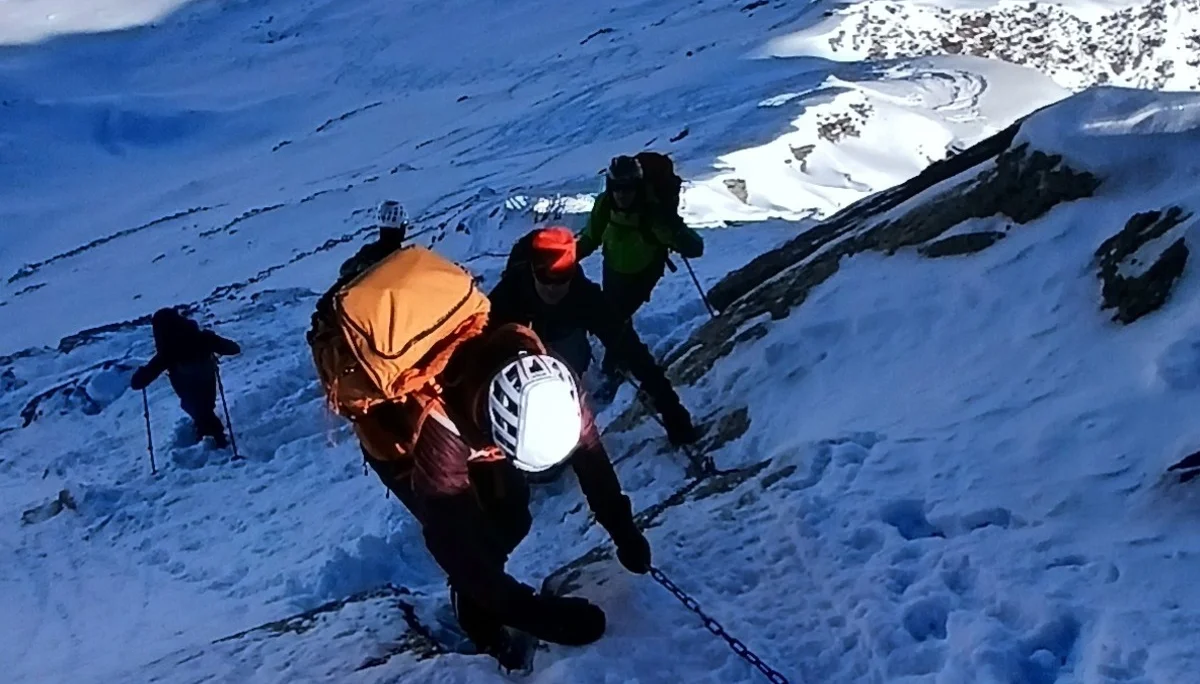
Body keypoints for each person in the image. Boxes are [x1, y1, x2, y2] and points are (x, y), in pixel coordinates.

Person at [308, 246, 651, 670]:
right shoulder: (438, 431)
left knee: (511, 515)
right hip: (399, 446)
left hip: (472, 419)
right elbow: (450, 542)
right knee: (473, 537)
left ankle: (484, 598)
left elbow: (591, 457)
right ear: (495, 434)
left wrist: (625, 532)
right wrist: (541, 617)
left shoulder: (548, 385)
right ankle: (481, 626)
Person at [490, 226, 699, 446]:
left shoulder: (586, 298)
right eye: (544, 277)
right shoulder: (510, 294)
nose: (553, 287)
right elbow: (481, 345)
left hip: (563, 342)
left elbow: (631, 350)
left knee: (566, 368)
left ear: (573, 272)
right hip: (519, 346)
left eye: (562, 278)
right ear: (532, 270)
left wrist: (671, 409)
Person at [576, 155, 704, 322]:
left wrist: (673, 231)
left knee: (615, 317)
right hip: (615, 270)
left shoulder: (654, 212)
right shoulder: (605, 204)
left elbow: (695, 248)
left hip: (643, 273)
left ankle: (621, 344)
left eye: (628, 188)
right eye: (617, 188)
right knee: (614, 316)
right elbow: (590, 238)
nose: (621, 194)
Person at [130, 309, 240, 447]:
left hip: (185, 383)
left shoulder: (168, 350)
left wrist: (141, 376)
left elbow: (146, 375)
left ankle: (215, 440)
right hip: (207, 377)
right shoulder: (200, 337)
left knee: (199, 409)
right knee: (204, 408)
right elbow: (234, 348)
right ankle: (213, 438)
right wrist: (213, 340)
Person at [339, 199, 410, 280]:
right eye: (404, 225)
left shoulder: (367, 252)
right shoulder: (401, 259)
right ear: (400, 228)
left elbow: (344, 269)